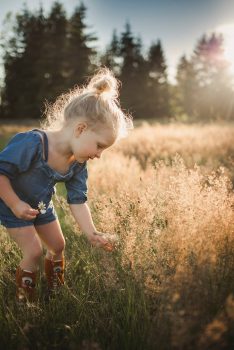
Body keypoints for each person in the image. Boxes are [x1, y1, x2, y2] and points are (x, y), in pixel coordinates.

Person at [0, 68, 133, 303]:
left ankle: (55, 291)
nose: (99, 155)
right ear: (81, 129)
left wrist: (91, 233)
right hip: (11, 203)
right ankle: (25, 302)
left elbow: (78, 200)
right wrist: (15, 204)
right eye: (99, 146)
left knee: (59, 245)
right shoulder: (33, 143)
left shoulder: (78, 164)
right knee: (33, 252)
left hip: (41, 206)